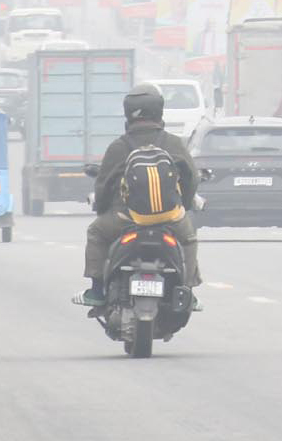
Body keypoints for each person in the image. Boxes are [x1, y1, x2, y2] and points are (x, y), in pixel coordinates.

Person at [78, 87, 202, 308]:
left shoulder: (119, 146)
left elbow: (103, 186)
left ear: (128, 114)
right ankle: (188, 292)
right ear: (159, 112)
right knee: (189, 239)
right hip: (169, 218)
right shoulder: (173, 143)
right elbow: (190, 179)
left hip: (126, 218)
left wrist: (103, 210)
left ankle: (96, 291)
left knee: (96, 232)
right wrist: (183, 205)